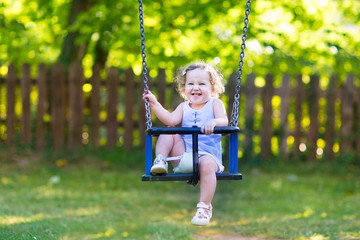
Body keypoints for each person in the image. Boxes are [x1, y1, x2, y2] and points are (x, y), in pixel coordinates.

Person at [143, 61, 228, 226]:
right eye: (191, 83)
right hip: (184, 156)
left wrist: (214, 122)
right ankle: (160, 160)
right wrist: (154, 103)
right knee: (170, 129)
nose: (195, 87)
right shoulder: (184, 107)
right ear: (184, 88)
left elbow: (224, 120)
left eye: (201, 84)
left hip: (207, 156)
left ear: (212, 88)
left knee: (207, 164)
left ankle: (204, 207)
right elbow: (171, 119)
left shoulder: (214, 104)